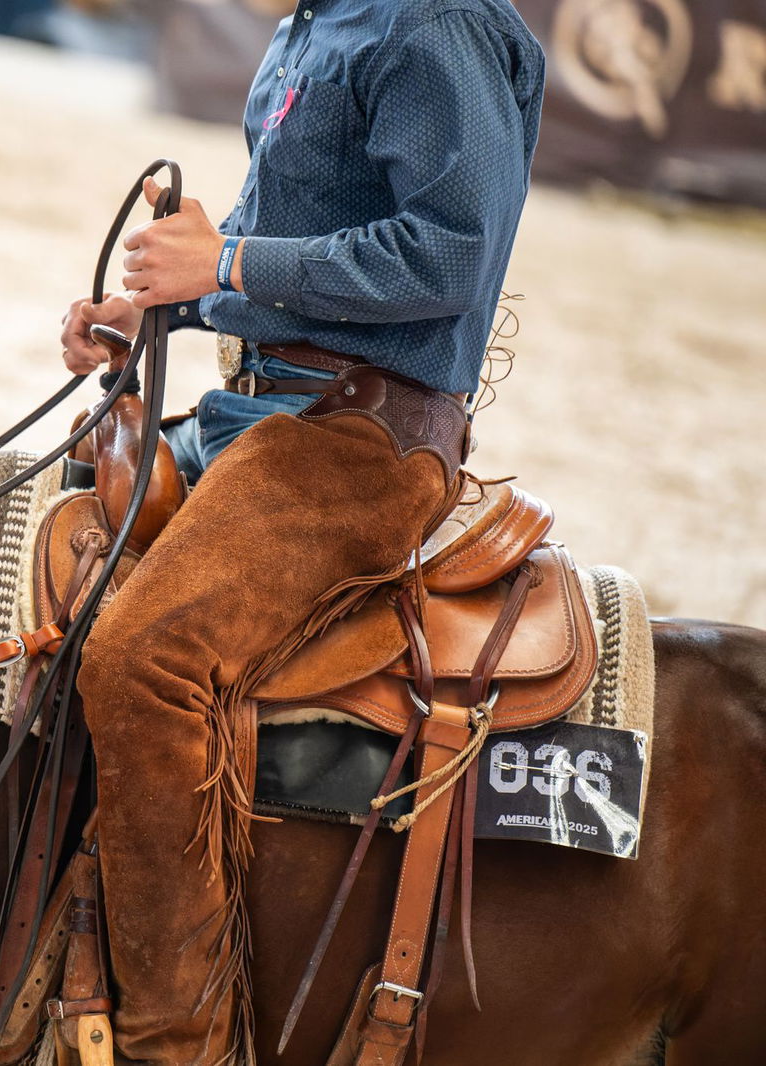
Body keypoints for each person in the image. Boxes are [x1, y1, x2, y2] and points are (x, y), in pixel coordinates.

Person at [57, 1, 546, 1062]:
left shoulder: (432, 21)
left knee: (143, 660)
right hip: (263, 411)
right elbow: (291, 243)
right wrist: (165, 309)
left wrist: (224, 269)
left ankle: (174, 1043)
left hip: (360, 443)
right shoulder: (310, 26)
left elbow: (446, 257)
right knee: (33, 548)